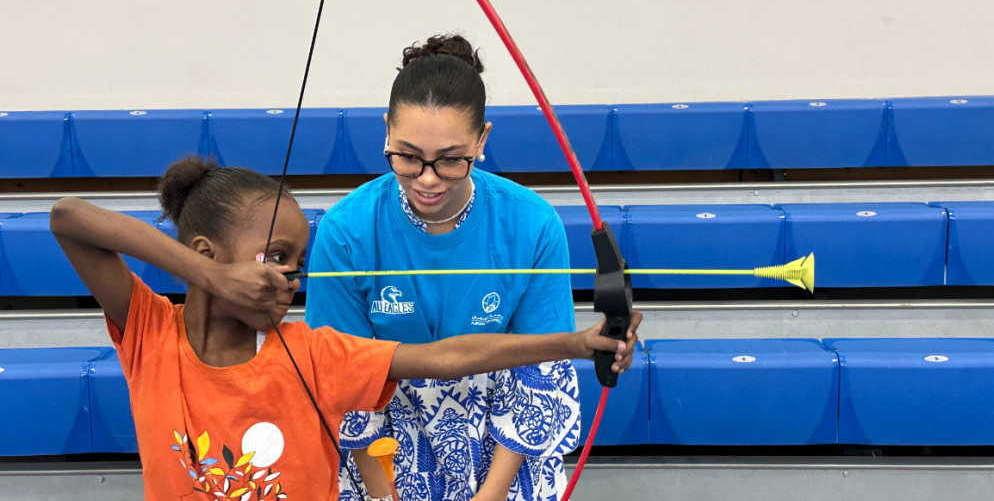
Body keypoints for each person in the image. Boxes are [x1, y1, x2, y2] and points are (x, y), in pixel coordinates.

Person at [49, 156, 641, 501]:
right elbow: (67, 217)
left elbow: (444, 357)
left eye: (296, 264)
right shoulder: (151, 333)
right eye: (274, 257)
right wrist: (210, 277)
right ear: (205, 252)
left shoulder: (312, 352)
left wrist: (575, 342)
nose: (289, 278)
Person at [305, 34, 640, 501]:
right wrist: (384, 495)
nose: (427, 179)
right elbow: (341, 380)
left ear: (482, 139)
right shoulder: (346, 230)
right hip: (381, 446)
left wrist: (490, 495)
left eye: (449, 160)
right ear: (386, 131)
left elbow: (538, 374)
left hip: (501, 443)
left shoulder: (532, 223)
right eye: (407, 156)